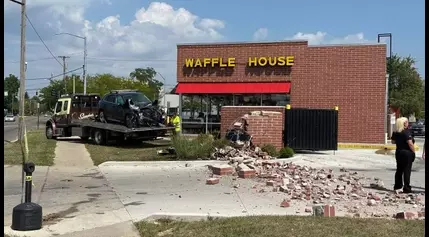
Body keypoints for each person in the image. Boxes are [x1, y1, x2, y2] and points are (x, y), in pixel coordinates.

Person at [391, 117, 416, 193]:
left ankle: (397, 186)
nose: (408, 123)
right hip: (407, 153)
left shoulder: (395, 132)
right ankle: (407, 188)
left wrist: (400, 142)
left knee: (399, 170)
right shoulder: (406, 132)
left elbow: (393, 142)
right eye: (407, 122)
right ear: (404, 123)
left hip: (399, 152)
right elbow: (410, 144)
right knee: (407, 170)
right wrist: (414, 152)